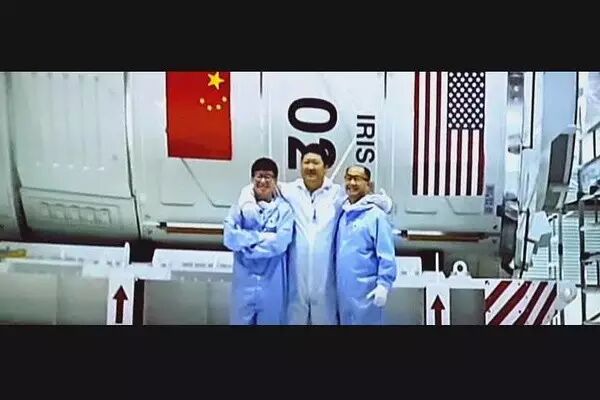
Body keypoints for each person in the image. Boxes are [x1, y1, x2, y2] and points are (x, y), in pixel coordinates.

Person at [237, 145, 392, 325]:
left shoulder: (338, 194)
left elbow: (364, 198)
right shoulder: (288, 191)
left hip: (326, 284)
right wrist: (247, 204)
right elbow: (257, 186)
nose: (310, 167)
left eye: (315, 162)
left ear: (326, 167)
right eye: (306, 162)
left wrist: (384, 202)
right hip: (296, 282)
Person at [223, 157, 294, 325]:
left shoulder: (284, 210)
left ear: (275, 181)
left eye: (268, 176)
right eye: (259, 176)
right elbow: (229, 238)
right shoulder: (240, 208)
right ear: (252, 179)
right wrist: (263, 237)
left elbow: (280, 243)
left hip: (272, 285)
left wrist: (246, 243)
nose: (263, 181)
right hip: (244, 285)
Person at [336, 165, 396, 325]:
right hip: (344, 294)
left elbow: (386, 254)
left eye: (357, 179)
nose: (352, 183)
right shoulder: (344, 214)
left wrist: (384, 284)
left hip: (367, 294)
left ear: (368, 184)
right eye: (349, 178)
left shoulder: (376, 216)